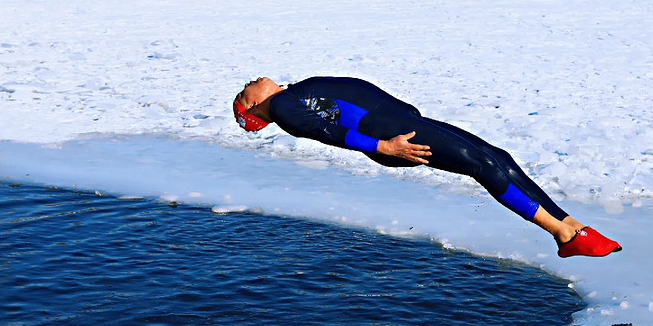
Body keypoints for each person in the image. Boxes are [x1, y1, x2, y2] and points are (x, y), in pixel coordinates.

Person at [232, 76, 621, 258]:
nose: (249, 81)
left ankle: (571, 229)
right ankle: (563, 233)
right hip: (396, 139)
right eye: (244, 91)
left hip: (401, 128)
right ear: (253, 108)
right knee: (484, 165)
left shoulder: (293, 95)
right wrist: (386, 146)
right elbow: (328, 133)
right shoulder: (284, 108)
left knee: (497, 156)